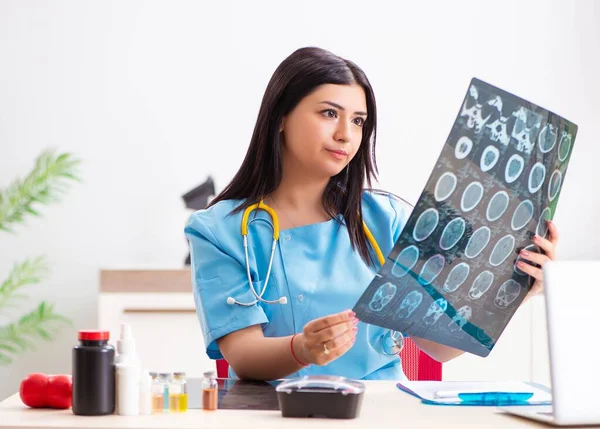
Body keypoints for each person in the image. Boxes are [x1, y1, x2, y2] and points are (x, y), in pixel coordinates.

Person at [184, 47, 559, 381]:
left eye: (359, 121)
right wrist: (302, 350)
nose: (346, 134)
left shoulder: (387, 219)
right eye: (329, 113)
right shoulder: (220, 230)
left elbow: (440, 346)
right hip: (274, 414)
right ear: (280, 117)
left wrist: (518, 288)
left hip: (380, 413)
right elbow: (244, 356)